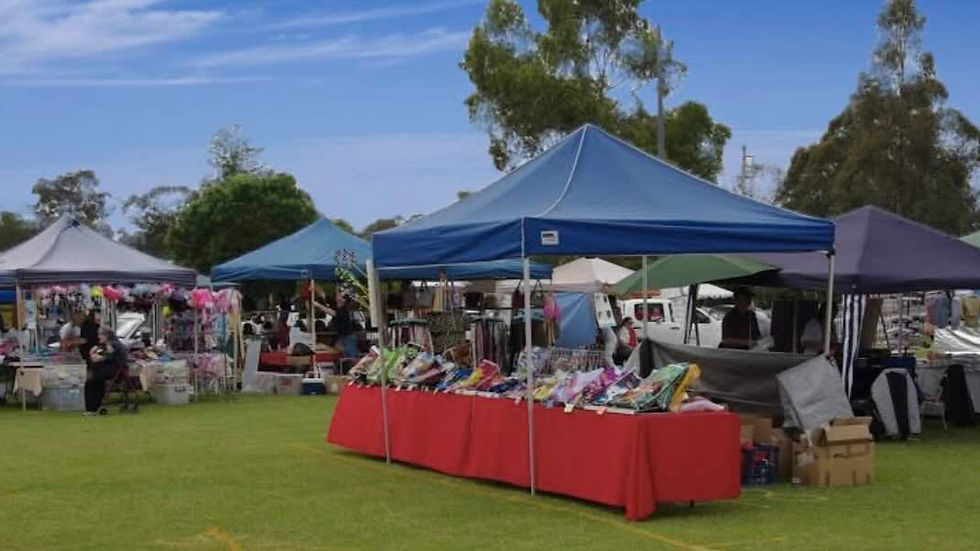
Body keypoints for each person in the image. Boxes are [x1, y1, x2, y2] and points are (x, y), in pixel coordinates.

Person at [84, 327, 129, 415]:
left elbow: (100, 356)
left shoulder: (113, 344)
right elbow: (97, 355)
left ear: (107, 335)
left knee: (92, 381)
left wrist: (95, 353)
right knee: (93, 380)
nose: (98, 337)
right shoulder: (110, 344)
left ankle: (92, 408)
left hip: (117, 371)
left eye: (100, 335)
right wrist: (95, 352)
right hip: (112, 370)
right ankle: (93, 407)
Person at [326, 292, 359, 359]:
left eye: (340, 296)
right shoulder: (337, 307)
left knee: (350, 355)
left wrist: (317, 305)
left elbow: (333, 313)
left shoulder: (344, 309)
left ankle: (353, 361)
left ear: (343, 300)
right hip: (342, 335)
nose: (337, 297)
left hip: (348, 335)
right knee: (339, 349)